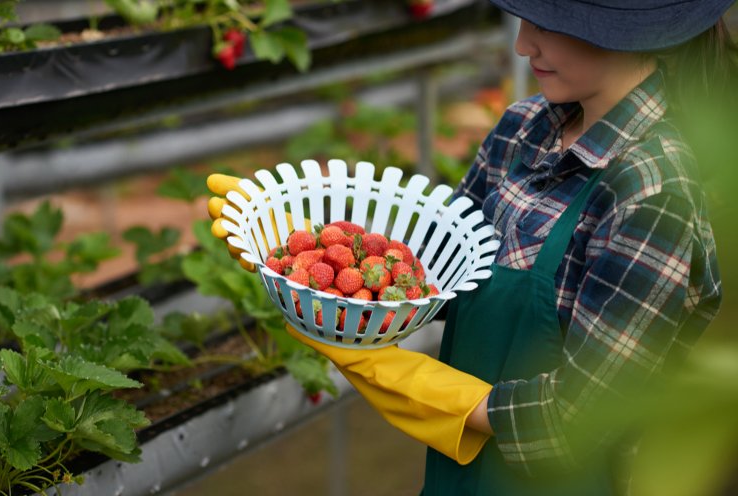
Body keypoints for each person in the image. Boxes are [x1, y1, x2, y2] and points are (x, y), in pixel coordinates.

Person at [207, 1, 736, 494]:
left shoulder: (655, 192)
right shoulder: (522, 129)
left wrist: (412, 383)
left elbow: (571, 423)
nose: (523, 44)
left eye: (548, 24)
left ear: (632, 35)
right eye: (524, 18)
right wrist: (314, 251)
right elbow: (440, 274)